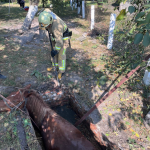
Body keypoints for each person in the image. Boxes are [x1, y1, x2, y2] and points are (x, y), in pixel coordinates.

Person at [38, 9, 72, 80]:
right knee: (52, 51)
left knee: (60, 54)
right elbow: (46, 9)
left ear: (50, 23)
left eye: (46, 26)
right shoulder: (46, 15)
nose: (45, 28)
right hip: (55, 36)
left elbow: (59, 42)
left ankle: (61, 71)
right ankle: (55, 67)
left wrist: (56, 50)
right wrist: (53, 50)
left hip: (63, 38)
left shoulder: (56, 27)